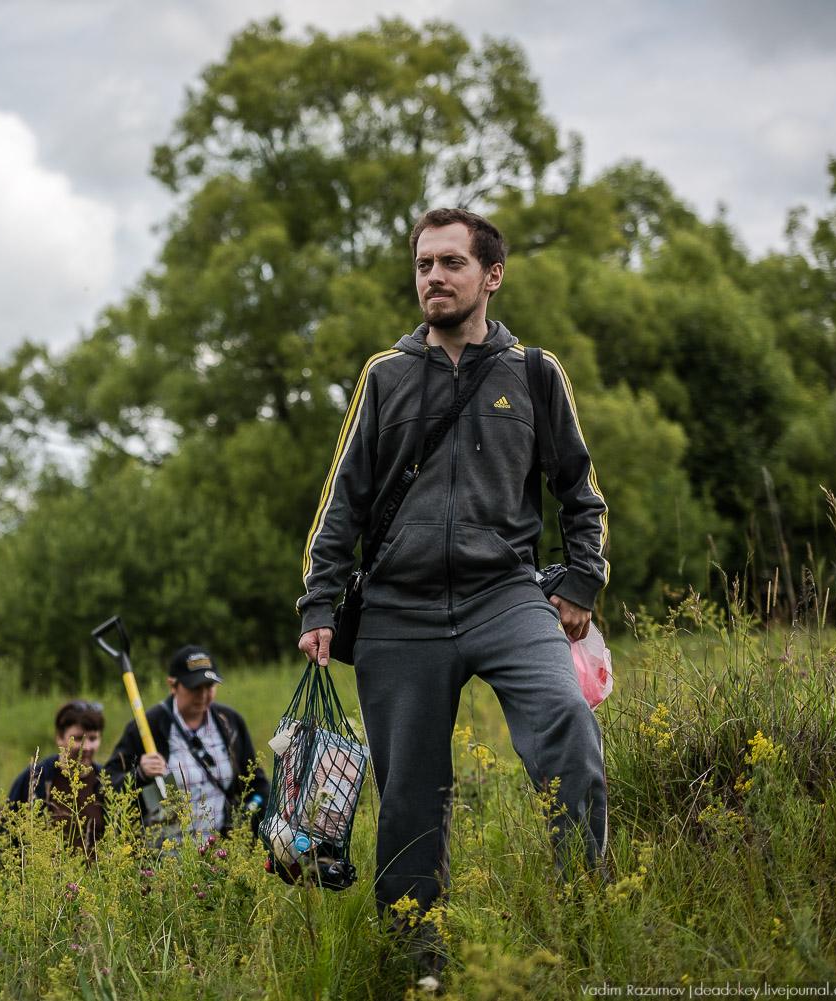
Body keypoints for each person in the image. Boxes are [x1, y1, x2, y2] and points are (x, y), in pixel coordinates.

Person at [295, 208, 610, 972]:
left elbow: (580, 491)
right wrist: (319, 602)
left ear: (491, 276)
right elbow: (342, 499)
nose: (434, 276)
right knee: (409, 794)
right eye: (424, 264)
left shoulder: (535, 373)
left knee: (567, 723)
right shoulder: (386, 375)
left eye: (451, 263)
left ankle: (589, 910)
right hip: (398, 612)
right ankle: (416, 956)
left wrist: (581, 581)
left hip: (506, 595)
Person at [106, 647, 269, 842]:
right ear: (172, 685)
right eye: (194, 688)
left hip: (224, 851)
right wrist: (140, 774)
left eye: (209, 687)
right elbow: (108, 786)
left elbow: (258, 785)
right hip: (166, 857)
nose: (203, 695)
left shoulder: (229, 722)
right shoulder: (146, 727)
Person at [6, 701, 108, 855]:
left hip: (98, 877)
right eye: (78, 739)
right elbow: (7, 833)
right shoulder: (36, 778)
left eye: (93, 739)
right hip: (49, 877)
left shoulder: (107, 781)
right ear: (60, 737)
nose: (86, 747)